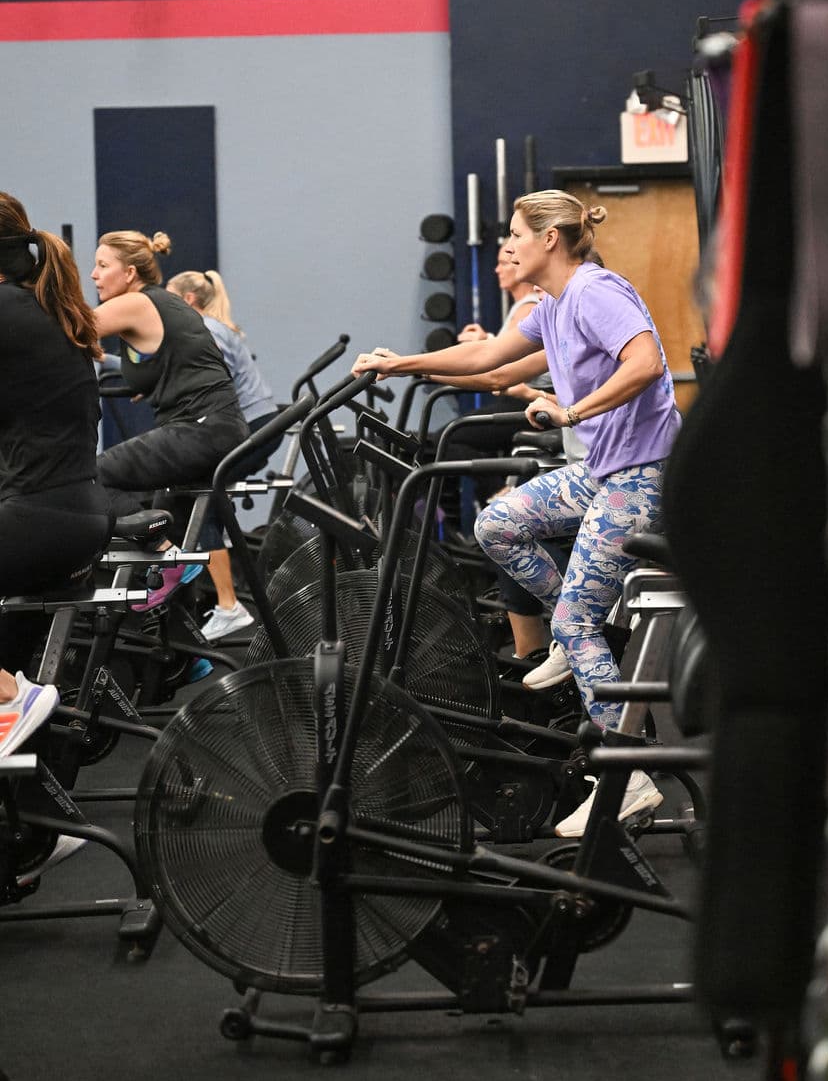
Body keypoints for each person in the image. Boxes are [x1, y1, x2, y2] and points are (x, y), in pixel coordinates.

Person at [354, 190, 680, 838]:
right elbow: (487, 359)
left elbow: (645, 361)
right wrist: (399, 363)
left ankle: (627, 778)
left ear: (549, 240)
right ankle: (572, 631)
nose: (508, 245)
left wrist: (572, 412)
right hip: (603, 473)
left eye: (515, 235)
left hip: (643, 477)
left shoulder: (593, 291)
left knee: (577, 617)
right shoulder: (555, 305)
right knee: (498, 523)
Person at [0, 193, 111, 765]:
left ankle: (13, 694)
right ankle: (35, 821)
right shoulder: (38, 307)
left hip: (42, 520)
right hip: (74, 513)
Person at [91, 231, 248, 617]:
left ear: (129, 273)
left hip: (201, 428)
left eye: (102, 265)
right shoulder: (160, 306)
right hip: (211, 425)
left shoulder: (137, 302)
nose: (93, 275)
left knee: (90, 477)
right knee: (167, 527)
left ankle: (167, 555)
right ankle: (187, 657)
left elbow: (69, 332)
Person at [165, 268, 281, 640]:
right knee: (205, 498)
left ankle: (229, 604)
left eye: (168, 298)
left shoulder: (208, 331)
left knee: (201, 491)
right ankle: (219, 597)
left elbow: (214, 384)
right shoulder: (211, 327)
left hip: (254, 426)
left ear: (188, 301)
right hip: (258, 424)